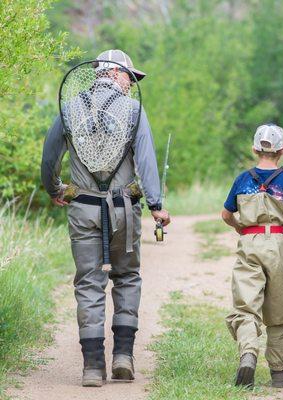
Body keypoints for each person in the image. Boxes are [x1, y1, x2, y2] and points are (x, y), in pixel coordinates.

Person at [41, 49, 170, 387]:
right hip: (124, 210)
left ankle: (93, 368)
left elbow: (49, 156)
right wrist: (156, 205)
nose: (132, 83)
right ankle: (124, 357)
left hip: (82, 209)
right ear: (114, 74)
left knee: (88, 283)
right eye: (130, 76)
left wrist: (55, 189)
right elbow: (146, 161)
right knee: (127, 277)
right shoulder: (134, 110)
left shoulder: (69, 109)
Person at [221, 124, 283, 389]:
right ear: (281, 150)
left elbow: (226, 214)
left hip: (250, 243)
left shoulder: (242, 179)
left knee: (246, 305)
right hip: (279, 246)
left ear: (254, 148)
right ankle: (278, 371)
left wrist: (240, 227)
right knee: (279, 310)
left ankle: (248, 353)